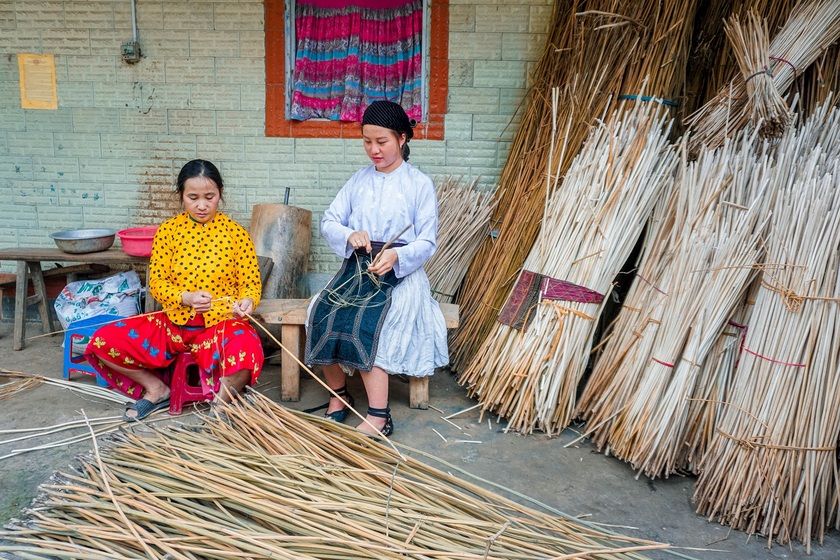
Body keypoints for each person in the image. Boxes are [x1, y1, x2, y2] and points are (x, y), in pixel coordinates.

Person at [304, 100, 449, 437]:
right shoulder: (358, 180)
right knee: (321, 311)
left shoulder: (418, 184)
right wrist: (349, 234)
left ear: (401, 138)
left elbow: (427, 242)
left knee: (375, 320)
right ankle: (338, 396)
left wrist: (398, 256)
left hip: (400, 272)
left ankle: (379, 416)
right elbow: (330, 221)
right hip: (356, 268)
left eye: (381, 141)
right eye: (367, 141)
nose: (373, 150)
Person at [85, 159, 264, 421]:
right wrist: (187, 298)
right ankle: (157, 389)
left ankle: (219, 406)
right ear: (181, 195)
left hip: (219, 326)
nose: (202, 205)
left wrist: (247, 301)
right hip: (173, 326)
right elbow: (157, 283)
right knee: (103, 340)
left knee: (248, 346)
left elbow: (250, 282)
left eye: (209, 197)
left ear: (220, 194)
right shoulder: (168, 232)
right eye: (193, 197)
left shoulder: (236, 234)